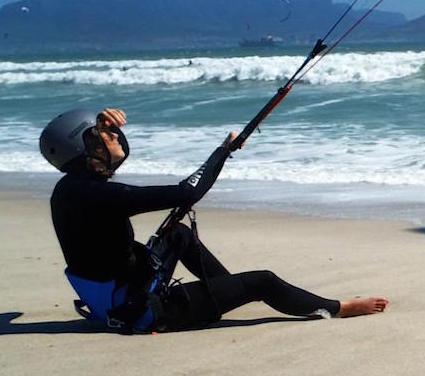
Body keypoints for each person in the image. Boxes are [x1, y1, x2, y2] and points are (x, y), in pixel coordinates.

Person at [41, 107, 387, 332]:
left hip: (120, 294)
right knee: (263, 281)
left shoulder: (73, 190)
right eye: (102, 134)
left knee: (178, 233)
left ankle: (227, 293)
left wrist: (99, 128)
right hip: (140, 312)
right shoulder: (94, 195)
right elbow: (185, 193)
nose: (115, 135)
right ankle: (339, 308)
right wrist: (222, 153)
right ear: (83, 148)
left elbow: (164, 193)